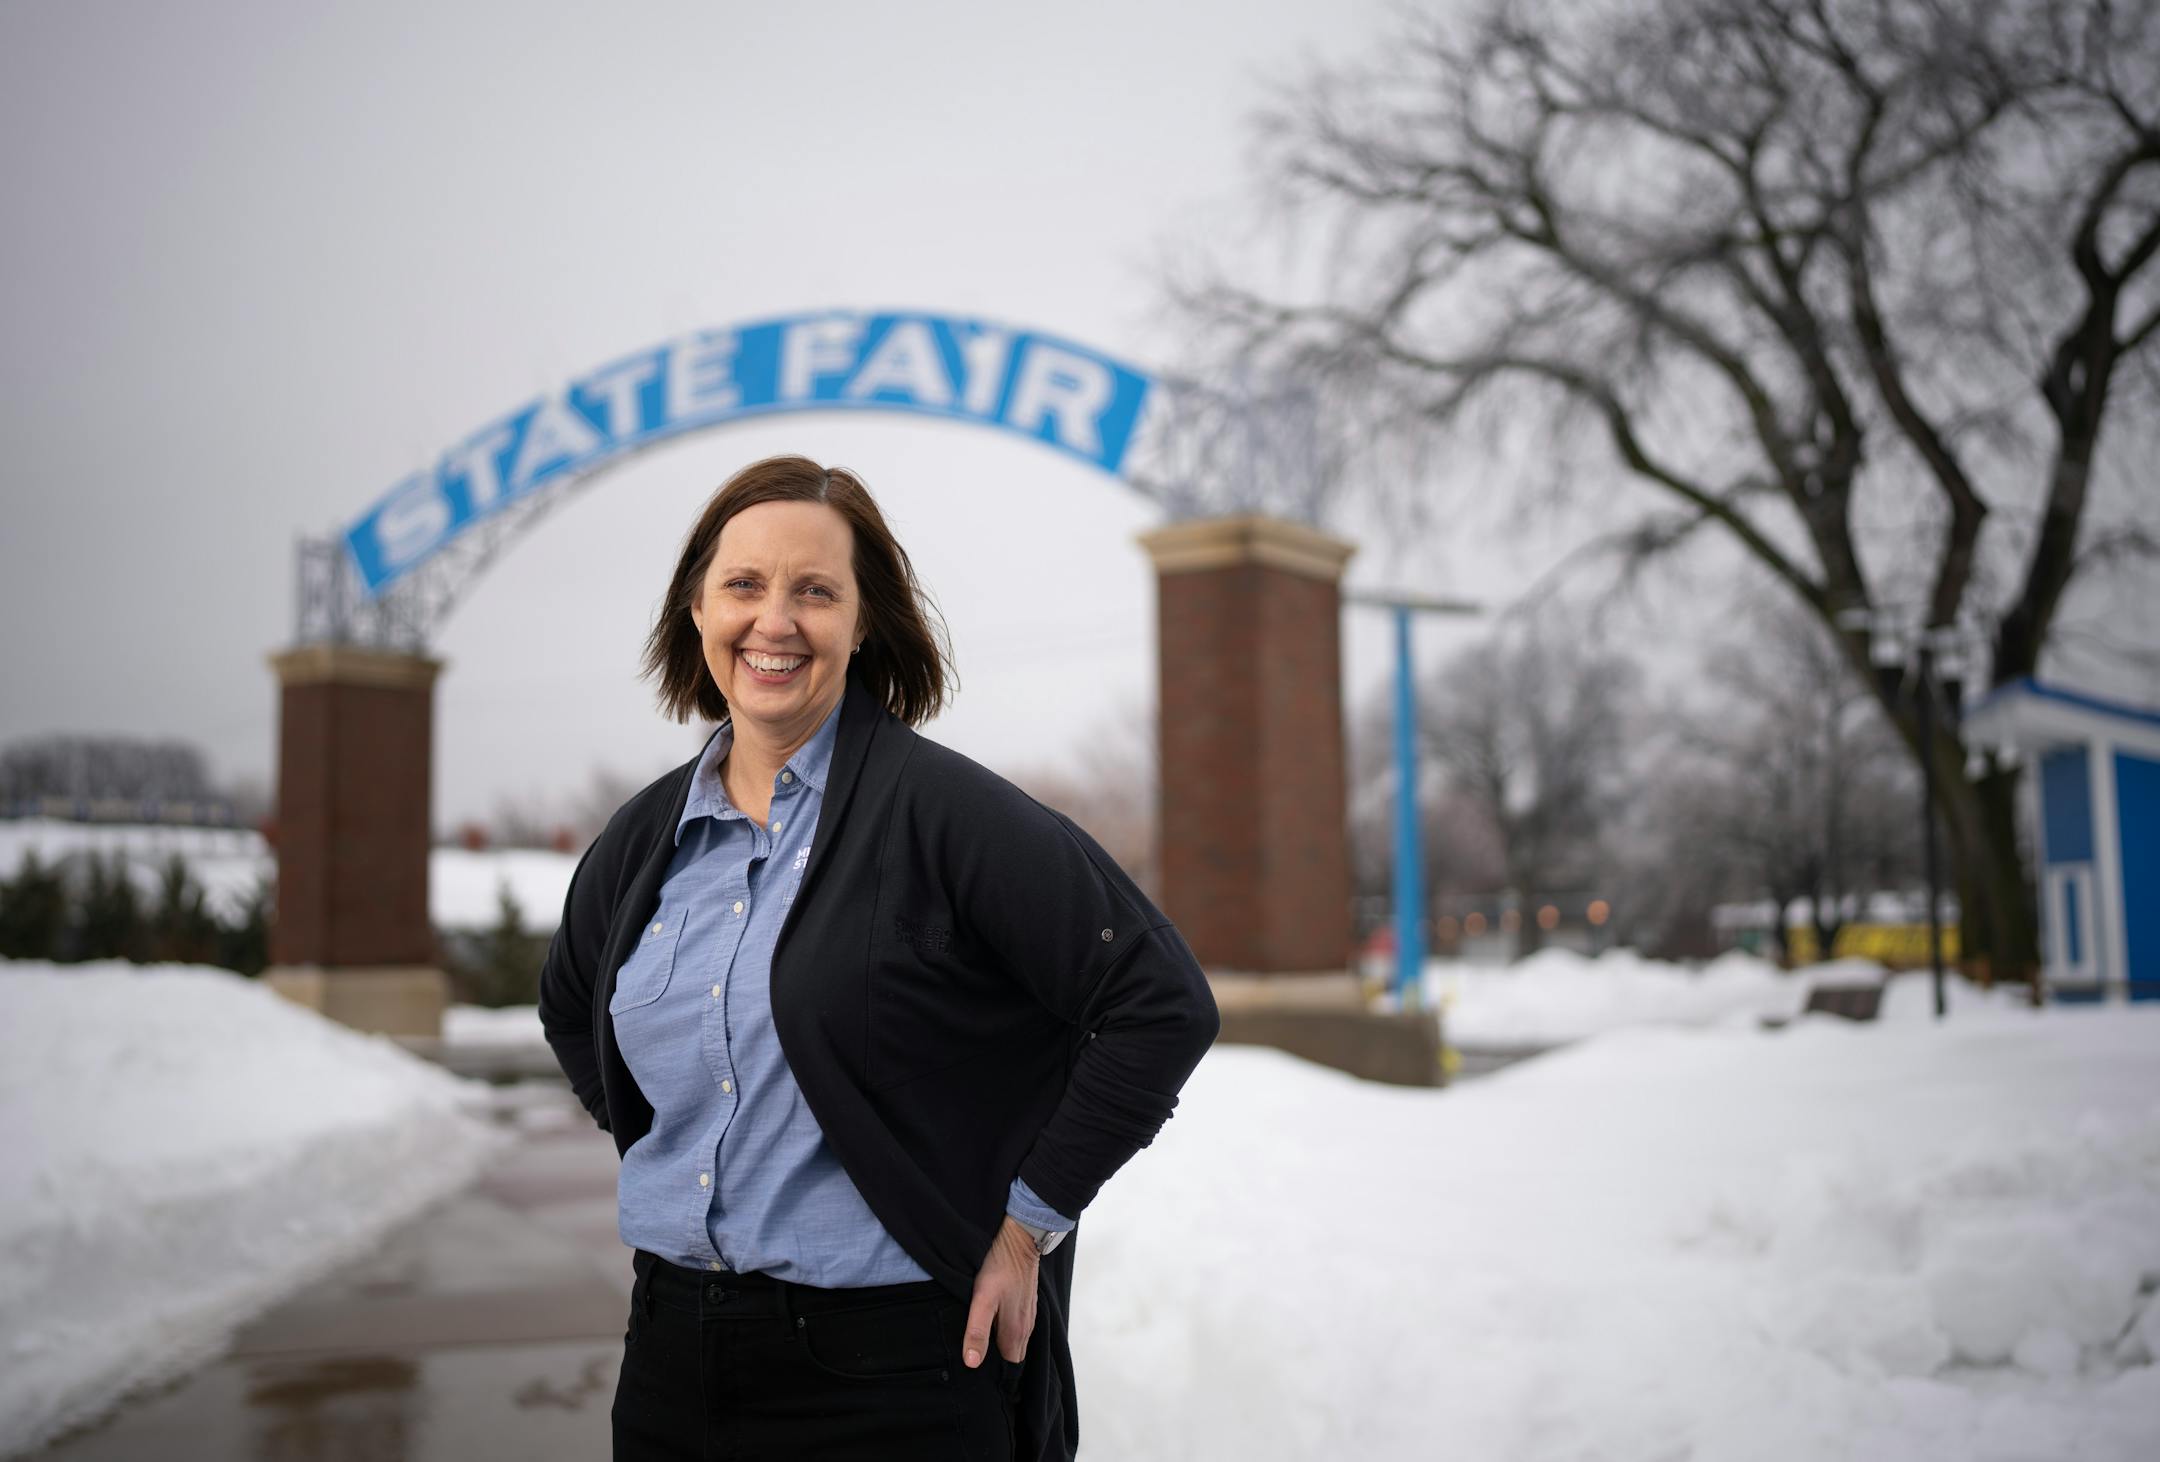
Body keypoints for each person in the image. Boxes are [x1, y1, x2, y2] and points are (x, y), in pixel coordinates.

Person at [538, 454, 1220, 1461]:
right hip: (670, 1357)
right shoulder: (644, 841)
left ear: (863, 623)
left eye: (815, 590)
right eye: (744, 584)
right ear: (696, 610)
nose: (776, 619)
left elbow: (1159, 1002)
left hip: (892, 1369)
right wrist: (679, 1148)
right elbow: (569, 1007)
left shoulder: (948, 815)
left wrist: (1025, 1225)